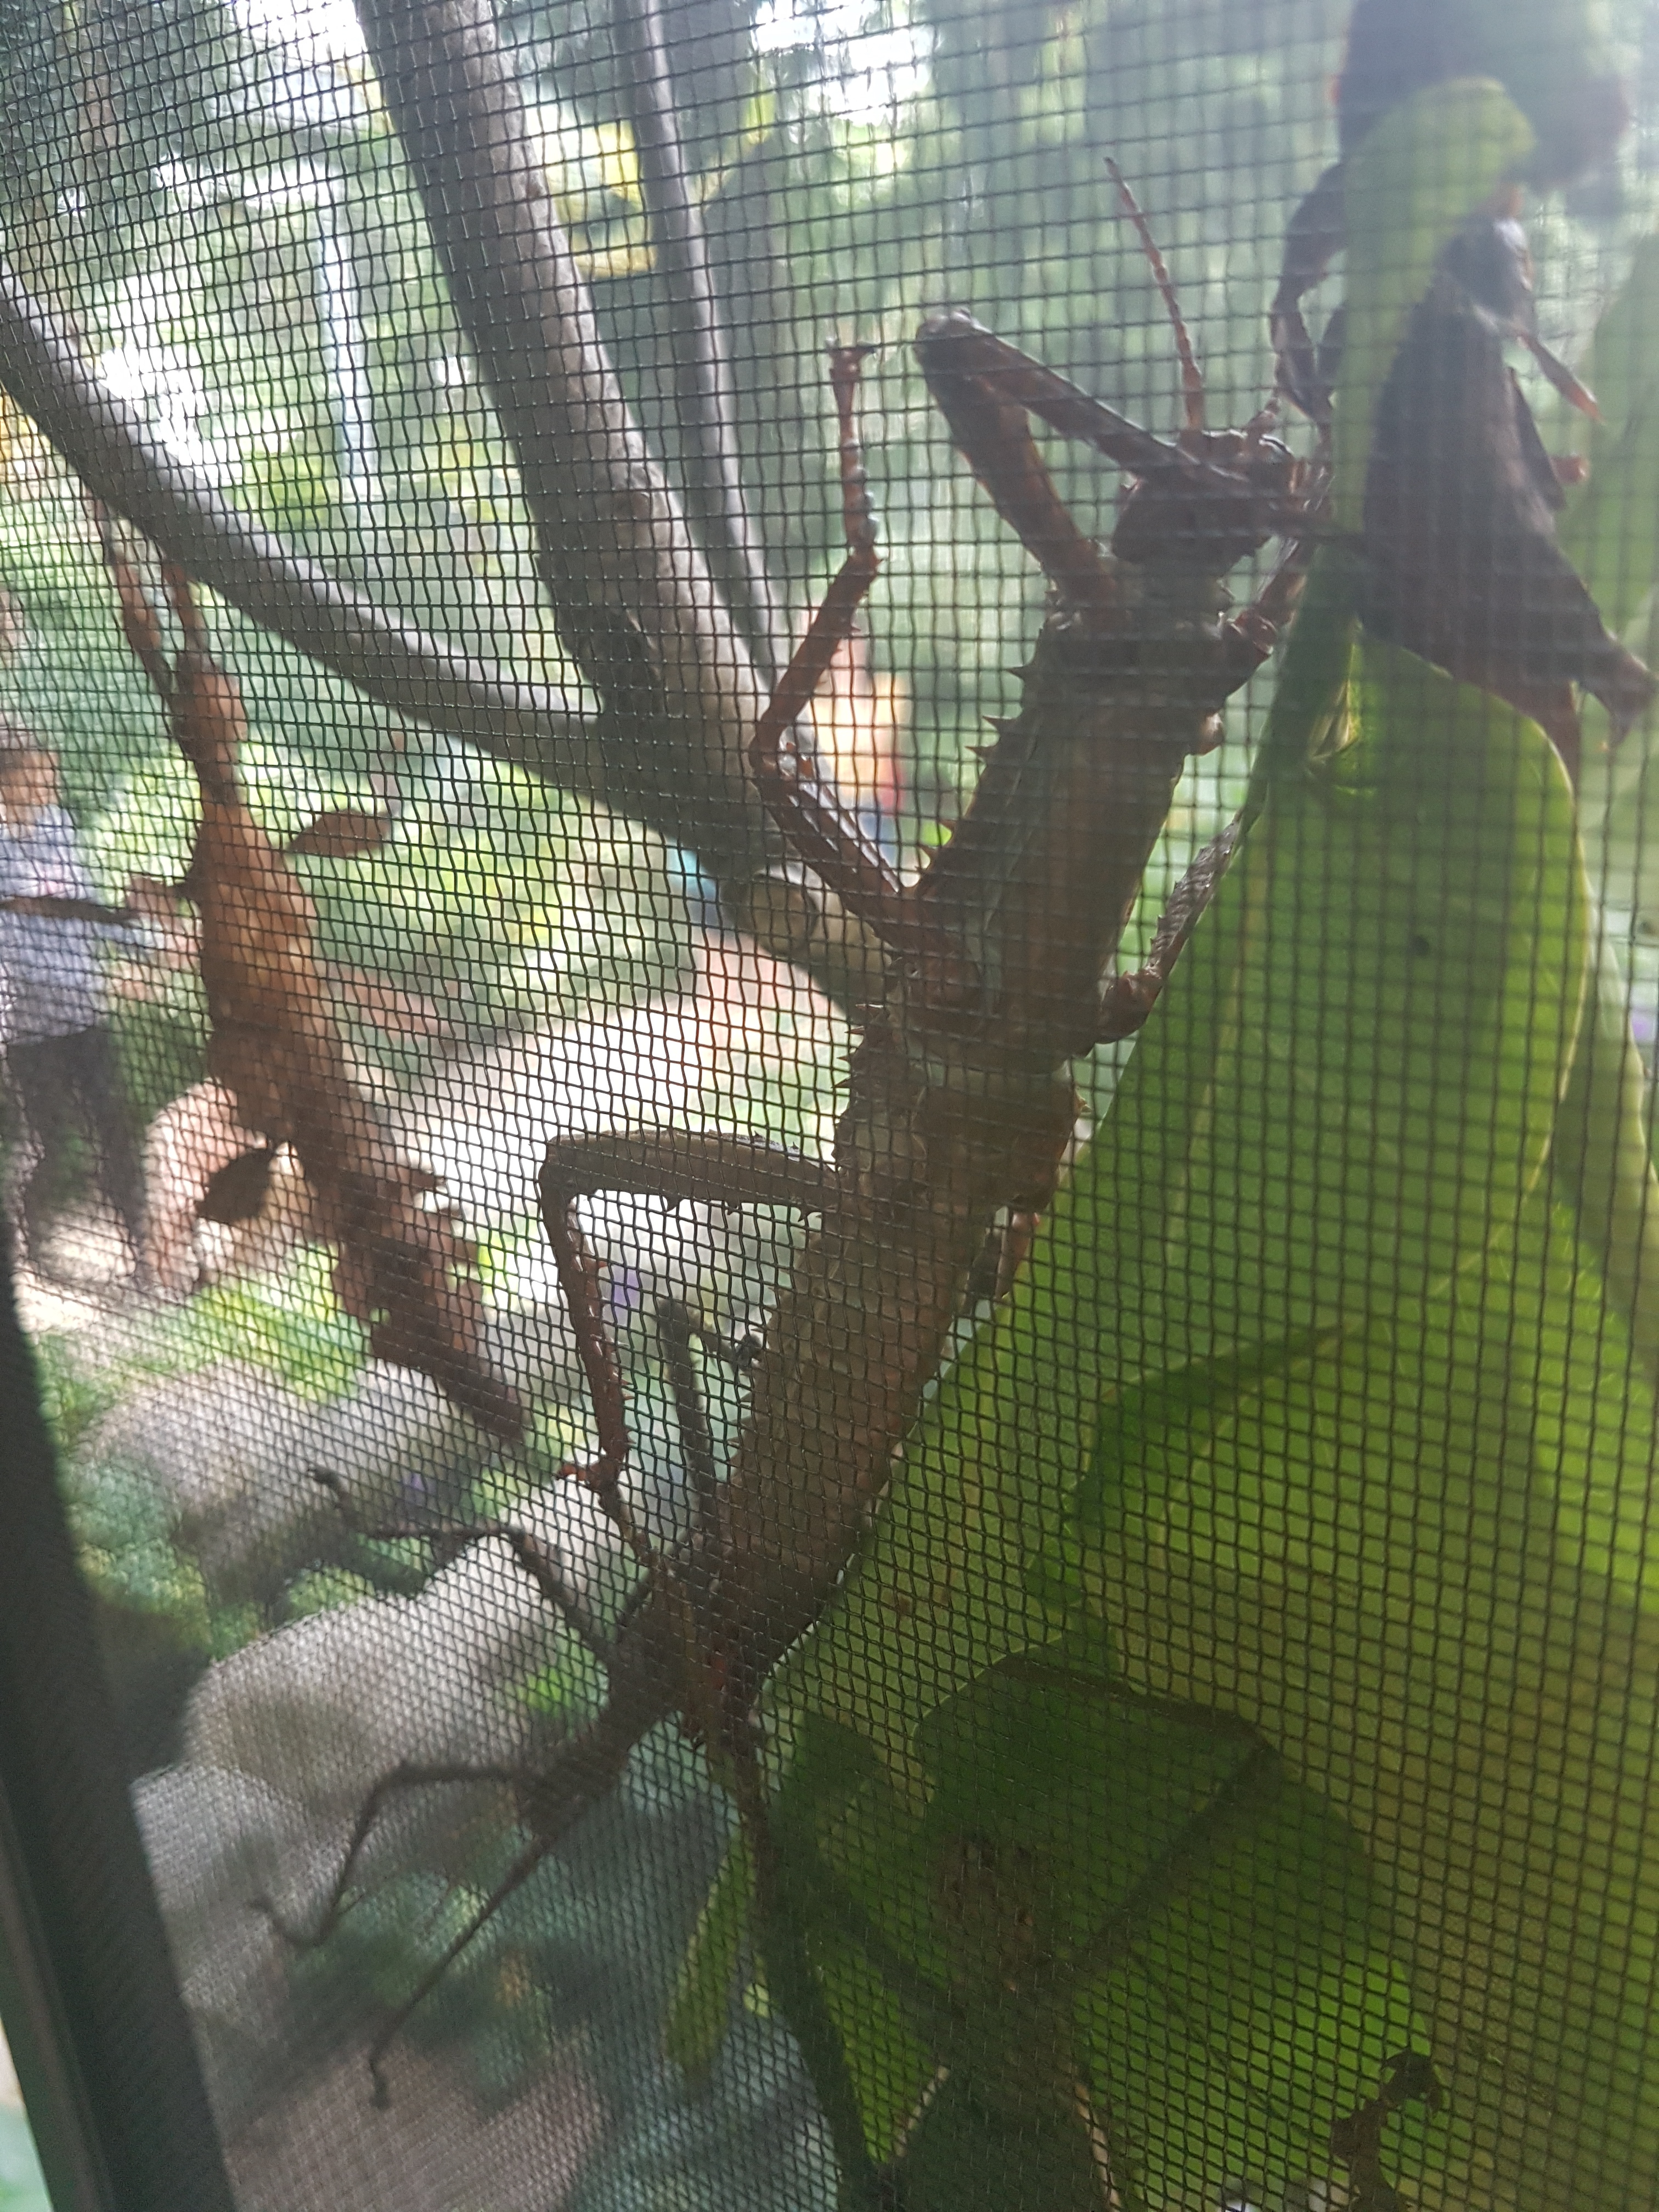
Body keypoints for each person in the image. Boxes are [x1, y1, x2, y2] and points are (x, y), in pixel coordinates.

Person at [0, 731, 148, 1283]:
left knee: (114, 1131)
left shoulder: (58, 825)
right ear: (8, 780)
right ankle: (29, 1252)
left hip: (85, 1016)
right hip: (27, 1028)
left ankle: (144, 1257)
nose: (51, 782)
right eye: (39, 773)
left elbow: (81, 898)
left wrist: (141, 944)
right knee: (49, 1142)